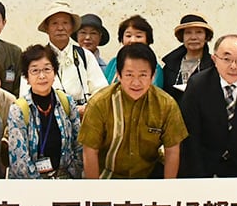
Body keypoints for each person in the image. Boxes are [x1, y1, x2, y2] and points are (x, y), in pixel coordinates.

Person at [80, 43, 188, 179]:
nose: (136, 83)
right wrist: (96, 189)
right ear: (118, 75)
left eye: (143, 75)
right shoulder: (99, 104)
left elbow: (172, 150)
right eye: (129, 75)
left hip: (148, 176)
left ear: (153, 76)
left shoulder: (166, 105)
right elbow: (90, 150)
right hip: (106, 176)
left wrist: (167, 187)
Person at [179, 34, 237, 178]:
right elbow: (191, 136)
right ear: (214, 59)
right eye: (227, 59)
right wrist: (199, 178)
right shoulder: (198, 85)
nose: (233, 66)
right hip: (204, 166)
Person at [8, 45, 82, 179]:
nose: (42, 76)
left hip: (65, 181)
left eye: (47, 69)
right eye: (35, 71)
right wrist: (41, 186)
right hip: (30, 185)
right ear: (27, 77)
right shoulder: (18, 109)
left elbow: (79, 145)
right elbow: (19, 161)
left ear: (55, 72)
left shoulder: (66, 102)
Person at [21, 1, 107, 112]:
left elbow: (102, 92)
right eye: (54, 23)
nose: (60, 28)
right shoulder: (35, 58)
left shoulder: (85, 55)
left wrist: (86, 108)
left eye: (65, 23)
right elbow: (25, 97)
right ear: (47, 28)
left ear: (72, 27)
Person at [161, 14, 214, 103]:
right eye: (188, 32)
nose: (193, 37)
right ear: (182, 37)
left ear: (206, 37)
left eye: (199, 32)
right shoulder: (170, 66)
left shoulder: (214, 65)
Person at [103, 15, 165, 86]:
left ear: (147, 39)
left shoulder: (155, 68)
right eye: (128, 36)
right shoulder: (113, 62)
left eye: (138, 36)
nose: (133, 40)